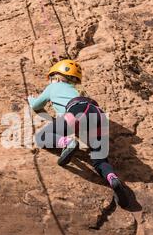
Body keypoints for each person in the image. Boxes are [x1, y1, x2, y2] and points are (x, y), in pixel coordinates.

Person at [28, 59, 129, 208]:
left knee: (41, 137)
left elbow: (37, 105)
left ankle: (67, 143)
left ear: (55, 77)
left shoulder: (54, 86)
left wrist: (31, 100)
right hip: (98, 115)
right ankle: (112, 177)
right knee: (100, 160)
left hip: (77, 111)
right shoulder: (78, 91)